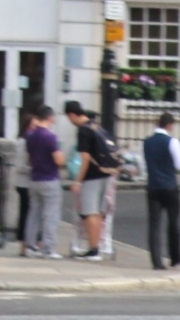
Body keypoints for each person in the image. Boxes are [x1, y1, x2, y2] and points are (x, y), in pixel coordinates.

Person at [63, 101, 120, 260]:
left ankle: (93, 249)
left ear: (72, 115)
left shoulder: (83, 131)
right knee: (99, 213)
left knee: (89, 213)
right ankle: (97, 248)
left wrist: (78, 181)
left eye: (69, 118)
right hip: (105, 174)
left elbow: (85, 158)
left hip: (91, 177)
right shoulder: (95, 126)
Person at [143, 111, 180, 270]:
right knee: (173, 223)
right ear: (169, 125)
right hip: (169, 187)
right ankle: (175, 258)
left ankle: (156, 261)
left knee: (154, 224)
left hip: (153, 187)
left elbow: (143, 165)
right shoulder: (172, 142)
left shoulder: (146, 142)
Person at [23, 105, 63, 257]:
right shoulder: (50, 137)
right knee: (50, 215)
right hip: (50, 178)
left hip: (34, 178)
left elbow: (29, 158)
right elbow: (58, 160)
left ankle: (30, 245)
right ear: (50, 117)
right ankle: (48, 248)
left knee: (34, 214)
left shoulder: (30, 136)